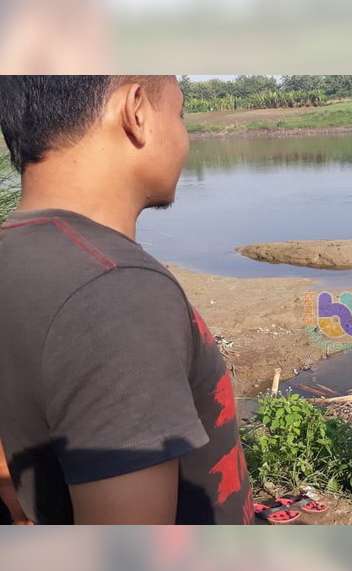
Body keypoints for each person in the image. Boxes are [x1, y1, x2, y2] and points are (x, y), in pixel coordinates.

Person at [0, 76, 253, 524]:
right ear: (136, 111)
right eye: (179, 113)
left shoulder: (15, 252)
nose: (184, 137)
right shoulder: (117, 290)